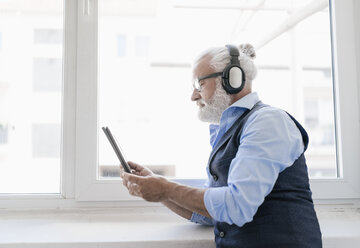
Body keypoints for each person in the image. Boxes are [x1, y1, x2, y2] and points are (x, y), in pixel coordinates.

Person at [121, 44, 322, 247]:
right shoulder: (230, 129)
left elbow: (237, 206)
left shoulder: (267, 122)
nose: (193, 96)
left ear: (231, 79)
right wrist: (156, 187)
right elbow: (213, 213)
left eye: (199, 85)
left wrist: (165, 189)